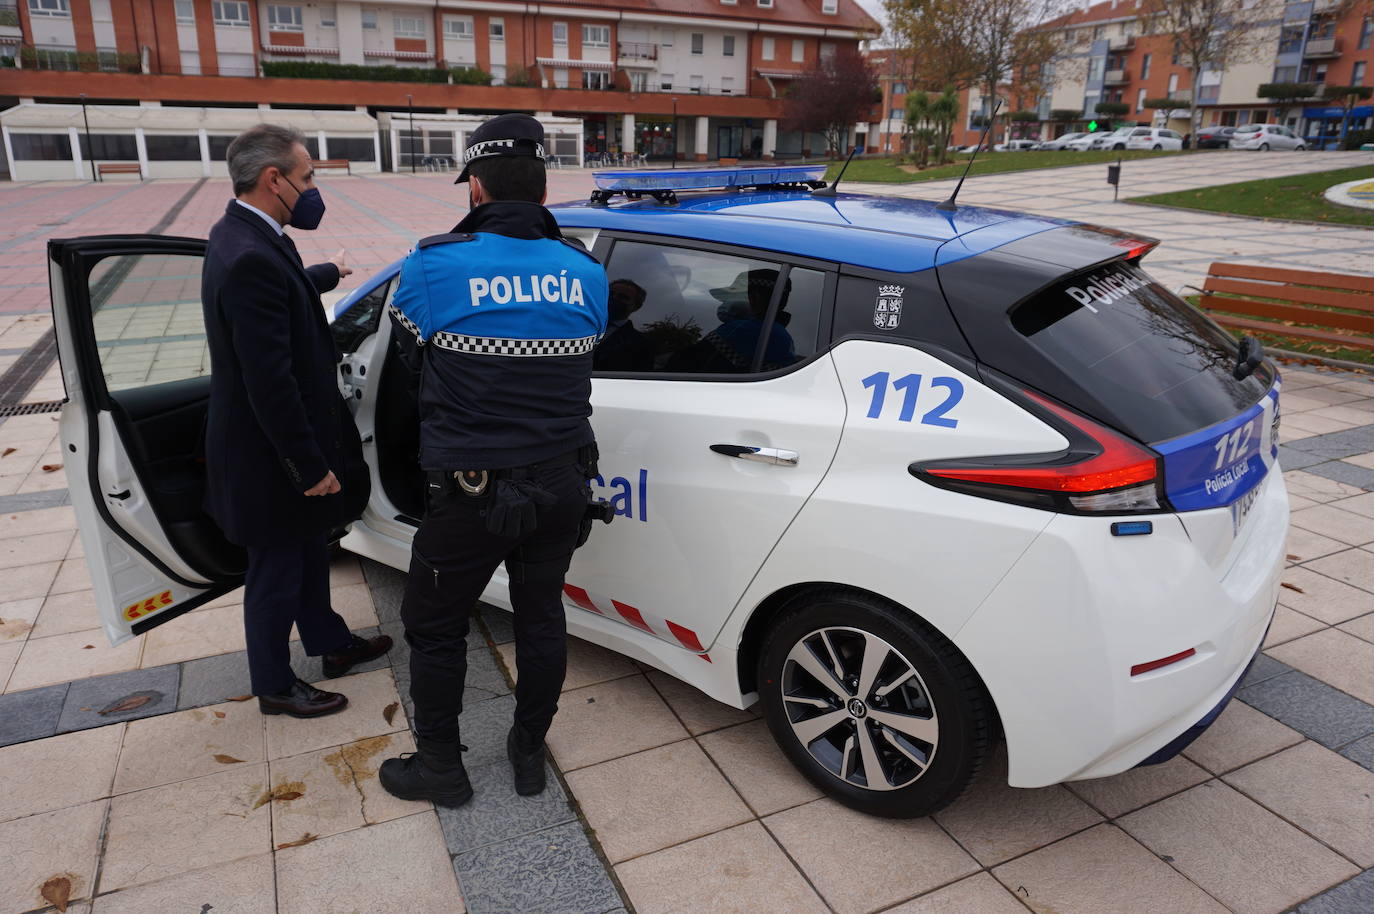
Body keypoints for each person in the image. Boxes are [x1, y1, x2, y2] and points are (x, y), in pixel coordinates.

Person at [378, 114, 609, 807]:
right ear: (542, 189)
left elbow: (410, 368)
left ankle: (442, 770)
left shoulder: (431, 266)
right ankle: (528, 750)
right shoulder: (585, 272)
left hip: (473, 492)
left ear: (475, 187)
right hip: (563, 482)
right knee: (541, 618)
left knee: (435, 625)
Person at [202, 124, 392, 719]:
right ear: (273, 179)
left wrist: (325, 275)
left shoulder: (248, 235)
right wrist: (307, 466)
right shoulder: (249, 256)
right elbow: (269, 382)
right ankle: (275, 685)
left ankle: (331, 644)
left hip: (284, 449)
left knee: (310, 550)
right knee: (277, 570)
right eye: (306, 177)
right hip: (271, 455)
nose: (312, 189)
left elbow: (278, 299)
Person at [593, 278, 655, 372]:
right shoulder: (578, 324)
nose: (614, 298)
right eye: (610, 294)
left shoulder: (640, 344)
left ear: (635, 306)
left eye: (623, 297)